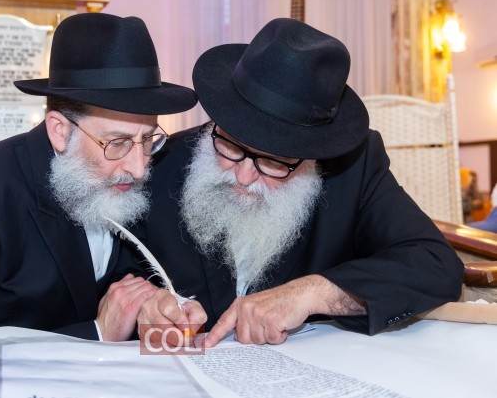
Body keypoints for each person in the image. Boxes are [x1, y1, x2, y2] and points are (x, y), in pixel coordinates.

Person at [132, 18, 464, 347]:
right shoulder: (160, 160)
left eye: (273, 162)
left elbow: (435, 265)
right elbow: (118, 272)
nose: (244, 177)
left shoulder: (353, 169)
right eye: (231, 146)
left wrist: (313, 293)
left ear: (312, 158)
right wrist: (143, 300)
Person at [0, 13, 197, 339]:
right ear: (60, 131)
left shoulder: (127, 179)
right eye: (117, 143)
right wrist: (97, 332)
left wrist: (154, 308)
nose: (139, 169)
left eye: (148, 139)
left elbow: (133, 284)